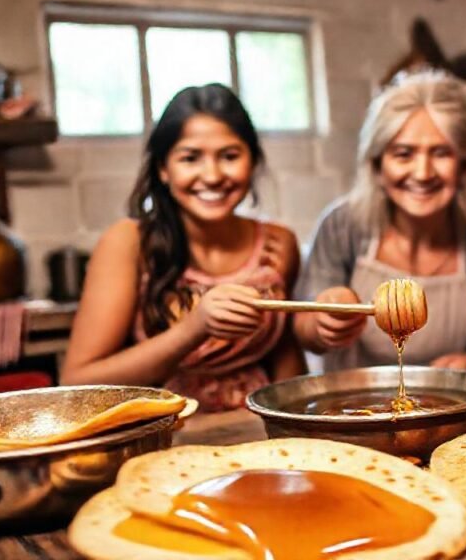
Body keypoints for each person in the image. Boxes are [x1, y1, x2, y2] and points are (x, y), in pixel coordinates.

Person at [62, 84, 306, 411]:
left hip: (257, 434)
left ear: (253, 161)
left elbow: (284, 355)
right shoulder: (129, 243)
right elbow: (78, 382)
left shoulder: (278, 244)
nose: (213, 175)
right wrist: (195, 328)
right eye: (190, 158)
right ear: (163, 168)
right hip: (165, 435)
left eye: (230, 156)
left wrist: (298, 430)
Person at [294, 70, 466, 372]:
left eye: (441, 153)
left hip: (445, 412)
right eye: (403, 154)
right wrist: (323, 322)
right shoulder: (343, 224)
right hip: (351, 409)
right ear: (377, 165)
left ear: (464, 165)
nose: (423, 173)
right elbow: (303, 327)